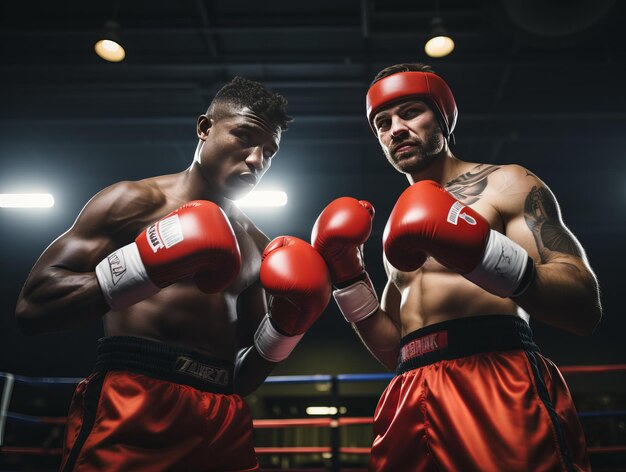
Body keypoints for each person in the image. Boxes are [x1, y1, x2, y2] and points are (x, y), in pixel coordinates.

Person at [15, 76, 331, 472]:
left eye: (269, 152)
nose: (256, 160)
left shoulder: (257, 243)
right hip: (134, 399)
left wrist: (287, 329)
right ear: (204, 128)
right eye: (245, 137)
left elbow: (243, 376)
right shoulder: (133, 202)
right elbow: (32, 306)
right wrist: (144, 266)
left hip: (221, 416)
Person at [312, 63, 602, 471]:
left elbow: (584, 307)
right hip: (410, 391)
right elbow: (395, 350)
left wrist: (481, 252)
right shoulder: (398, 227)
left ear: (444, 118)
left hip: (496, 380)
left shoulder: (507, 183)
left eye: (410, 112)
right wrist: (348, 280)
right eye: (382, 122)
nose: (395, 129)